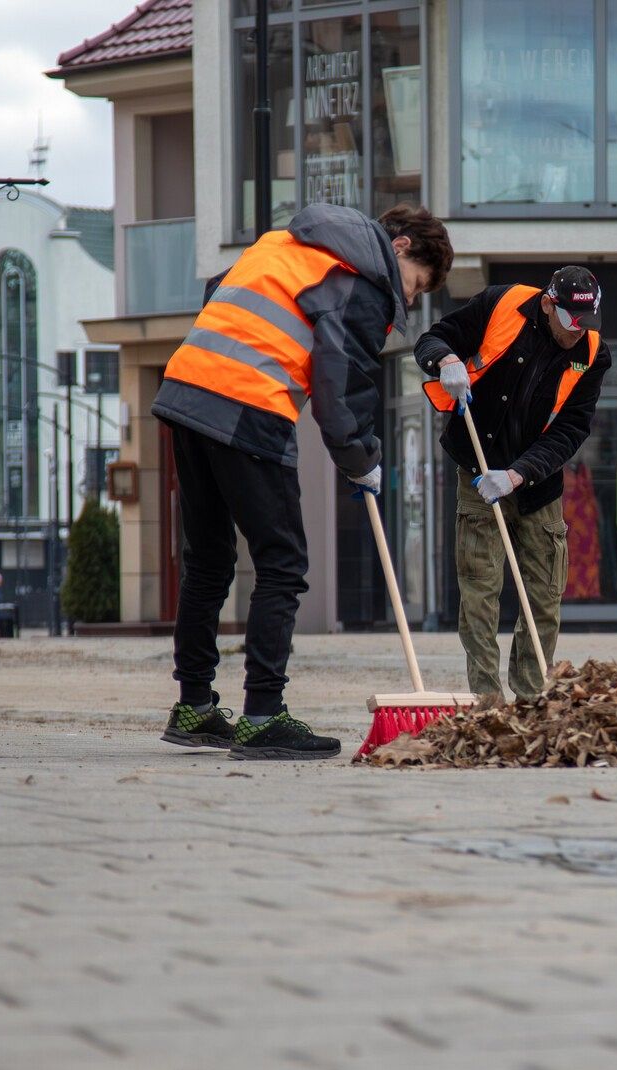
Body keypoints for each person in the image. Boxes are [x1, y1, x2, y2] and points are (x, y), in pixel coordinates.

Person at [152, 202, 452, 760]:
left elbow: (218, 293)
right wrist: (361, 458)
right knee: (283, 563)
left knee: (209, 559)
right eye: (415, 287)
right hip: (248, 407)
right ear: (403, 247)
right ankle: (262, 715)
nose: (407, 300)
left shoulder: (281, 244)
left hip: (185, 390)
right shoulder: (362, 279)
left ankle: (194, 705)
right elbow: (341, 389)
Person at [416, 267, 611, 701]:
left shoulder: (593, 353)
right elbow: (432, 338)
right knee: (480, 591)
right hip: (478, 468)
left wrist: (518, 474)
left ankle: (530, 697)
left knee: (543, 596)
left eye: (587, 323)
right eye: (570, 322)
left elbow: (572, 429)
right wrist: (445, 361)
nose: (578, 333)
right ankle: (486, 703)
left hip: (536, 482)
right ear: (548, 302)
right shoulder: (501, 305)